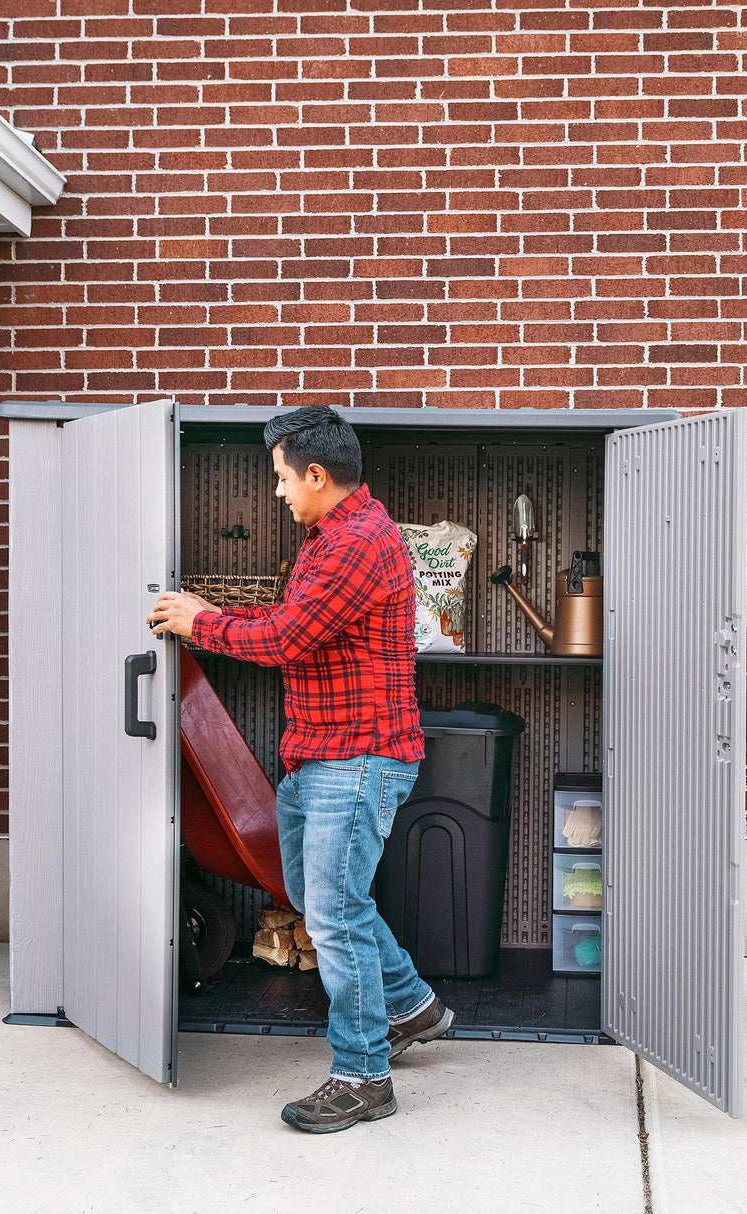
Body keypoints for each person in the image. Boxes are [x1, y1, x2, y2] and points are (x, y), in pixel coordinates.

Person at [148, 405, 454, 1134]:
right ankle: (411, 1006)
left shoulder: (357, 544)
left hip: (357, 758)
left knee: (334, 912)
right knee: (324, 902)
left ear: (318, 474)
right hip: (319, 753)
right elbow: (305, 633)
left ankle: (362, 1075)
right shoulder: (328, 536)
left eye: (284, 478)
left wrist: (201, 622)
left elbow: (288, 636)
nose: (279, 491)